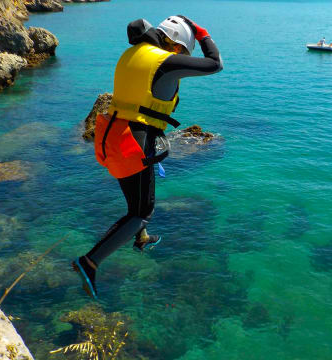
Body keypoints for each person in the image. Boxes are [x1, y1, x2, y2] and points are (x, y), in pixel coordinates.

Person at [72, 15, 223, 299]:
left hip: (112, 136)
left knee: (136, 201)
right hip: (135, 142)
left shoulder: (131, 53)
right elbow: (215, 63)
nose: (181, 57)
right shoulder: (164, 60)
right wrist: (203, 34)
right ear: (176, 44)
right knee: (142, 211)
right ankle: (89, 262)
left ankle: (140, 239)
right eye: (183, 51)